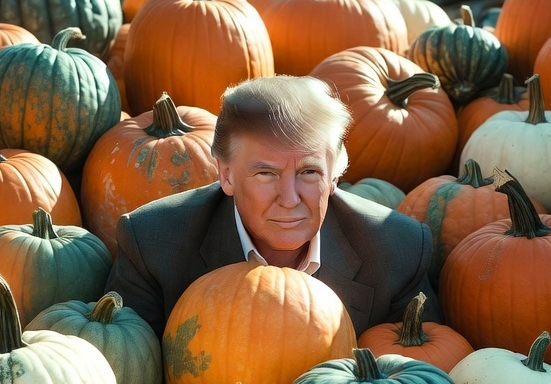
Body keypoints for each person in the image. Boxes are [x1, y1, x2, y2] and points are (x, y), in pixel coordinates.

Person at [107, 75, 441, 341]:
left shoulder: (398, 250)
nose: (290, 197)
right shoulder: (152, 244)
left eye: (309, 172)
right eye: (266, 174)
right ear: (226, 174)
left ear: (336, 175)